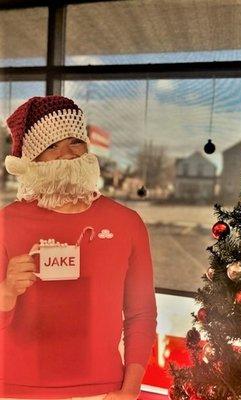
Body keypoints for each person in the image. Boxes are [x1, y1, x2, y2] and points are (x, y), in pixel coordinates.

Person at [0, 95, 158, 400]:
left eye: (75, 142)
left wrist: (131, 388)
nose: (66, 155)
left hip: (101, 390)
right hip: (15, 389)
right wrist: (6, 291)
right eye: (50, 146)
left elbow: (141, 313)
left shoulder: (127, 223)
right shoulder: (7, 222)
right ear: (32, 159)